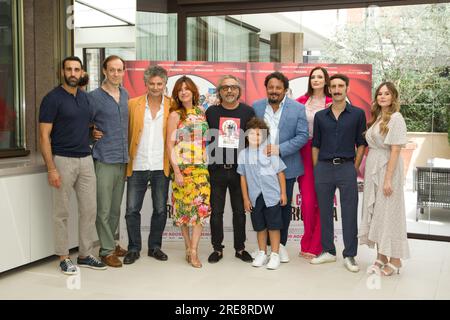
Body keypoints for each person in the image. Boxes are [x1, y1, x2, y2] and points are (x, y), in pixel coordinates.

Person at [39, 56, 106, 275]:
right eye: (69, 69)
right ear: (62, 72)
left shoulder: (85, 98)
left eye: (77, 69)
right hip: (62, 160)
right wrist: (51, 168)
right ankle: (64, 257)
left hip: (86, 159)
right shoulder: (52, 98)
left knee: (89, 210)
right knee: (62, 212)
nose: (73, 73)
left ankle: (85, 255)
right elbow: (43, 136)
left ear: (82, 72)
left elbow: (81, 126)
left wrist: (91, 134)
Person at [310, 73, 367, 273]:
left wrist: (355, 166)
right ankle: (328, 251)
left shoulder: (358, 114)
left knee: (350, 212)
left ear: (347, 88)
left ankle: (350, 255)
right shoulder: (320, 116)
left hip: (346, 167)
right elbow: (315, 145)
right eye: (333, 86)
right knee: (325, 211)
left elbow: (361, 144)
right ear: (329, 89)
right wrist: (317, 168)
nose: (336, 89)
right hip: (324, 167)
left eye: (340, 86)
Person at [252, 71, 308, 263]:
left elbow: (302, 136)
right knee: (262, 205)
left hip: (287, 166)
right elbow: (250, 133)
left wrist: (278, 149)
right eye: (271, 87)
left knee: (282, 206)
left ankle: (280, 246)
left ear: (285, 89)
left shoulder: (298, 109)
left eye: (278, 87)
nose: (274, 91)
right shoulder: (257, 106)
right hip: (260, 168)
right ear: (266, 88)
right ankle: (264, 248)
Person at [122, 65, 172, 265]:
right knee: (132, 210)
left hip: (162, 165)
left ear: (165, 84)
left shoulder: (172, 105)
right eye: (151, 83)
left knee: (160, 209)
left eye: (159, 83)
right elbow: (121, 129)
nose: (155, 87)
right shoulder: (132, 104)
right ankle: (134, 248)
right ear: (145, 84)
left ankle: (155, 247)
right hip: (138, 164)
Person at [359, 82, 410, 276]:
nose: (382, 97)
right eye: (379, 94)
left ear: (393, 97)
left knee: (389, 214)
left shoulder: (396, 118)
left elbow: (396, 150)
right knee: (377, 214)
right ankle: (381, 256)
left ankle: (395, 259)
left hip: (387, 169)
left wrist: (388, 180)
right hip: (374, 167)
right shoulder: (378, 117)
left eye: (386, 94)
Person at [205, 75, 255, 264]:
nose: (229, 91)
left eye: (233, 87)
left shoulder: (248, 112)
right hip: (216, 169)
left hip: (239, 170)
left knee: (239, 212)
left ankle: (240, 248)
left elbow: (254, 139)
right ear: (219, 91)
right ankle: (217, 248)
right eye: (225, 87)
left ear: (238, 91)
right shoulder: (211, 112)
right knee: (216, 212)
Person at [166, 76, 211, 268]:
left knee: (200, 210)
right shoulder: (175, 115)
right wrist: (176, 171)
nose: (183, 92)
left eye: (187, 88)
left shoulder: (202, 112)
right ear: (177, 93)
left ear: (193, 91)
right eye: (180, 89)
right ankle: (187, 247)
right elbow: (170, 144)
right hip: (182, 169)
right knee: (183, 211)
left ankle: (194, 251)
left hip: (200, 168)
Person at [89, 55, 129, 268]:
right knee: (103, 209)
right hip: (104, 159)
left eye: (119, 70)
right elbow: (81, 122)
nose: (116, 74)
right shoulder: (93, 97)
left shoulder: (125, 95)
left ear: (123, 72)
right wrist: (90, 133)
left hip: (122, 159)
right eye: (112, 70)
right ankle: (105, 251)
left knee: (115, 208)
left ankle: (112, 243)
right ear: (104, 71)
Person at [237, 117, 287, 270]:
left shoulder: (270, 152)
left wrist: (283, 193)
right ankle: (262, 253)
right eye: (252, 134)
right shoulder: (243, 155)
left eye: (259, 135)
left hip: (272, 196)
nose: (255, 137)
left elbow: (280, 173)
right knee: (260, 227)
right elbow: (243, 178)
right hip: (255, 197)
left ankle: (275, 254)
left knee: (274, 226)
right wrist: (246, 198)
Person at [296, 67, 333, 259]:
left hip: (326, 152)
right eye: (313, 77)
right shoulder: (300, 102)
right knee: (308, 201)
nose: (316, 80)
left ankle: (318, 244)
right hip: (304, 152)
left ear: (326, 80)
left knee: (324, 200)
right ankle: (307, 239)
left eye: (320, 77)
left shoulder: (332, 102)